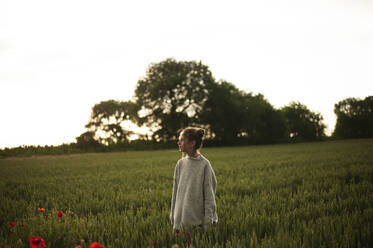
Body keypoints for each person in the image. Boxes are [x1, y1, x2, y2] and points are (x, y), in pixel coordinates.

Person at [170, 127, 218, 233]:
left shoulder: (204, 165)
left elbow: (210, 197)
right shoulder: (180, 164)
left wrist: (208, 223)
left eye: (182, 140)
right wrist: (173, 216)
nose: (179, 142)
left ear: (192, 143)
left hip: (196, 226)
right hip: (179, 223)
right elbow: (175, 193)